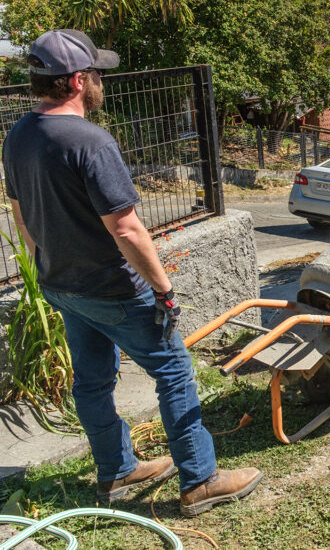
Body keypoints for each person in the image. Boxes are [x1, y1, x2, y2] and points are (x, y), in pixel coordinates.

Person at [3, 29, 261, 516]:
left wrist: (45, 266)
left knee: (92, 382)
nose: (101, 81)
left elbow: (21, 215)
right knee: (175, 372)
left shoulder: (18, 135)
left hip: (61, 285)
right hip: (113, 288)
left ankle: (117, 471)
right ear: (77, 81)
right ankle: (200, 480)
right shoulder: (91, 141)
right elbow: (126, 228)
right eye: (97, 74)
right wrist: (164, 287)